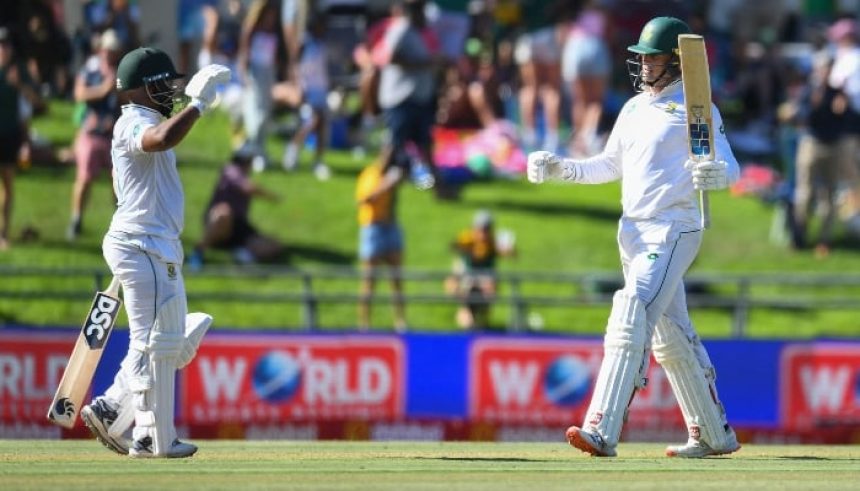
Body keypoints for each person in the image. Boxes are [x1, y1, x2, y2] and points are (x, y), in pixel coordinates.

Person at [527, 17, 741, 458]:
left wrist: (719, 175)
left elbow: (729, 166)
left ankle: (601, 429)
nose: (644, 65)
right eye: (641, 57)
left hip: (676, 226)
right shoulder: (633, 109)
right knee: (671, 336)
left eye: (653, 57)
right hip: (634, 233)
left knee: (631, 309)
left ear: (677, 63)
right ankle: (714, 435)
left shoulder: (697, 109)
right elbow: (606, 166)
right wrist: (558, 167)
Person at [78, 46, 230, 458]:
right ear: (141, 89)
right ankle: (149, 437)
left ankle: (112, 409)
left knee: (169, 343)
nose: (172, 90)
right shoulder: (132, 123)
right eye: (164, 83)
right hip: (141, 244)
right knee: (154, 343)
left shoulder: (143, 119)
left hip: (155, 244)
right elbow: (159, 140)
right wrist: (197, 104)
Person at [188, 143, 283, 268]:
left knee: (275, 245)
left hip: (239, 226)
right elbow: (248, 187)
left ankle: (243, 254)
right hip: (220, 223)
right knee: (224, 212)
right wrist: (271, 197)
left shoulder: (242, 174)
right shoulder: (230, 170)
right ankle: (199, 251)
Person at [68, 29, 122, 241]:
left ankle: (122, 226)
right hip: (92, 131)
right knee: (84, 178)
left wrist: (117, 92)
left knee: (119, 182)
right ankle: (76, 219)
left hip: (114, 135)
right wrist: (103, 89)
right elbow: (79, 94)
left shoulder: (121, 73)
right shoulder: (91, 68)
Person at [274, 12, 332, 181]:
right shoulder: (305, 43)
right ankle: (291, 152)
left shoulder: (322, 44)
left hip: (321, 92)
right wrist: (298, 87)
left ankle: (318, 161)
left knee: (322, 126)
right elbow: (294, 66)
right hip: (307, 91)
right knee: (311, 122)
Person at [355, 154, 408, 332]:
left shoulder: (397, 171)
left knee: (397, 280)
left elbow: (425, 183)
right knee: (369, 281)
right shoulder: (371, 174)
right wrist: (387, 183)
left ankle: (400, 322)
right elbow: (364, 200)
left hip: (391, 226)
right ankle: (364, 325)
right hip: (373, 229)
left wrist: (408, 177)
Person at [445, 210, 515, 329]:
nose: (483, 233)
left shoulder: (493, 243)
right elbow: (453, 247)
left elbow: (511, 253)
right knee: (456, 282)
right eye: (480, 229)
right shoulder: (467, 239)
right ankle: (466, 314)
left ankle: (483, 319)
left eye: (486, 229)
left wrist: (506, 250)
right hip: (468, 279)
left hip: (485, 281)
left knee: (490, 285)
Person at [0, 27, 35, 251]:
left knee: (8, 186)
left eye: (6, 44)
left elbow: (37, 101)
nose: (3, 48)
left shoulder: (19, 70)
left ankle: (3, 234)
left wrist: (19, 85)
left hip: (10, 134)